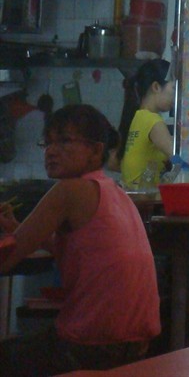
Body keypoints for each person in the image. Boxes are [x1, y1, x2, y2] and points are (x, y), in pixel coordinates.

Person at [0, 104, 161, 376]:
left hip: (89, 345)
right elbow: (88, 249)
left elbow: (9, 255)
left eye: (64, 141)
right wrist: (17, 227)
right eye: (48, 142)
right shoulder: (114, 190)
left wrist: (16, 235)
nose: (51, 150)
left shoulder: (69, 190)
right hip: (137, 344)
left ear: (96, 150)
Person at [116, 59, 175, 188]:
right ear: (156, 87)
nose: (176, 96)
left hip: (134, 198)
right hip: (145, 201)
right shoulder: (153, 121)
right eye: (173, 88)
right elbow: (175, 156)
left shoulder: (138, 117)